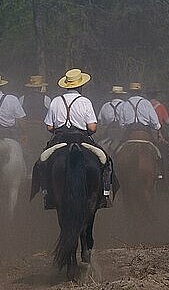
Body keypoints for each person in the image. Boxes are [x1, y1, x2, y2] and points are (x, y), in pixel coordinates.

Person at [36, 68, 115, 208]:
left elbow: (49, 127)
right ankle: (104, 194)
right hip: (82, 138)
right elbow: (92, 128)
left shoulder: (55, 101)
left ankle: (47, 194)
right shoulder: (85, 101)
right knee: (106, 161)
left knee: (42, 161)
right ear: (81, 85)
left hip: (59, 139)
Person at [19, 75, 51, 174]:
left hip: (27, 128)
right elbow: (50, 114)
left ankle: (27, 170)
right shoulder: (46, 98)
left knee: (24, 151)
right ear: (40, 87)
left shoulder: (22, 98)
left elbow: (20, 116)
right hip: (41, 129)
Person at [97, 85, 127, 151]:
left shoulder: (105, 105)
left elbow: (101, 122)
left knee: (98, 144)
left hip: (109, 132)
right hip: (122, 132)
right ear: (121, 95)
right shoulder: (125, 105)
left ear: (112, 95)